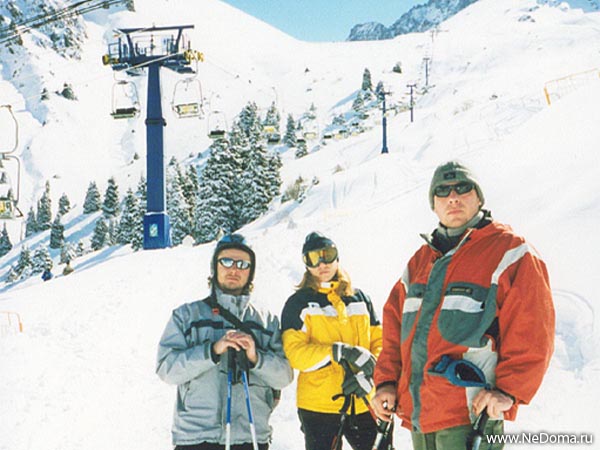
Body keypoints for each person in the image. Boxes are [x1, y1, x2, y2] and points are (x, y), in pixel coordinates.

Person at [371, 161, 555, 450]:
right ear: (433, 204)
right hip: (420, 419)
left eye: (463, 188)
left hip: (472, 418)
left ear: (479, 198)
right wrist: (386, 382)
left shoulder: (510, 251)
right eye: (443, 191)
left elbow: (533, 331)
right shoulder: (420, 262)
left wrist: (508, 392)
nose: (453, 197)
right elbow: (394, 331)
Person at [156, 234, 293, 450]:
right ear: (215, 266)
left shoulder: (266, 322)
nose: (234, 269)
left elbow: (284, 376)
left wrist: (255, 358)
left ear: (251, 272)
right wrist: (211, 351)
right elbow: (167, 369)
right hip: (196, 437)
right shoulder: (187, 316)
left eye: (243, 264)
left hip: (250, 437)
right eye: (227, 261)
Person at [281, 232, 390, 450]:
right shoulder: (299, 303)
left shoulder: (360, 299)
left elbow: (381, 343)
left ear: (337, 257)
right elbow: (295, 354)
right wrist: (336, 351)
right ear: (306, 264)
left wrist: (370, 375)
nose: (322, 264)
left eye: (327, 255)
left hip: (364, 398)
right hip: (319, 406)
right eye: (313, 258)